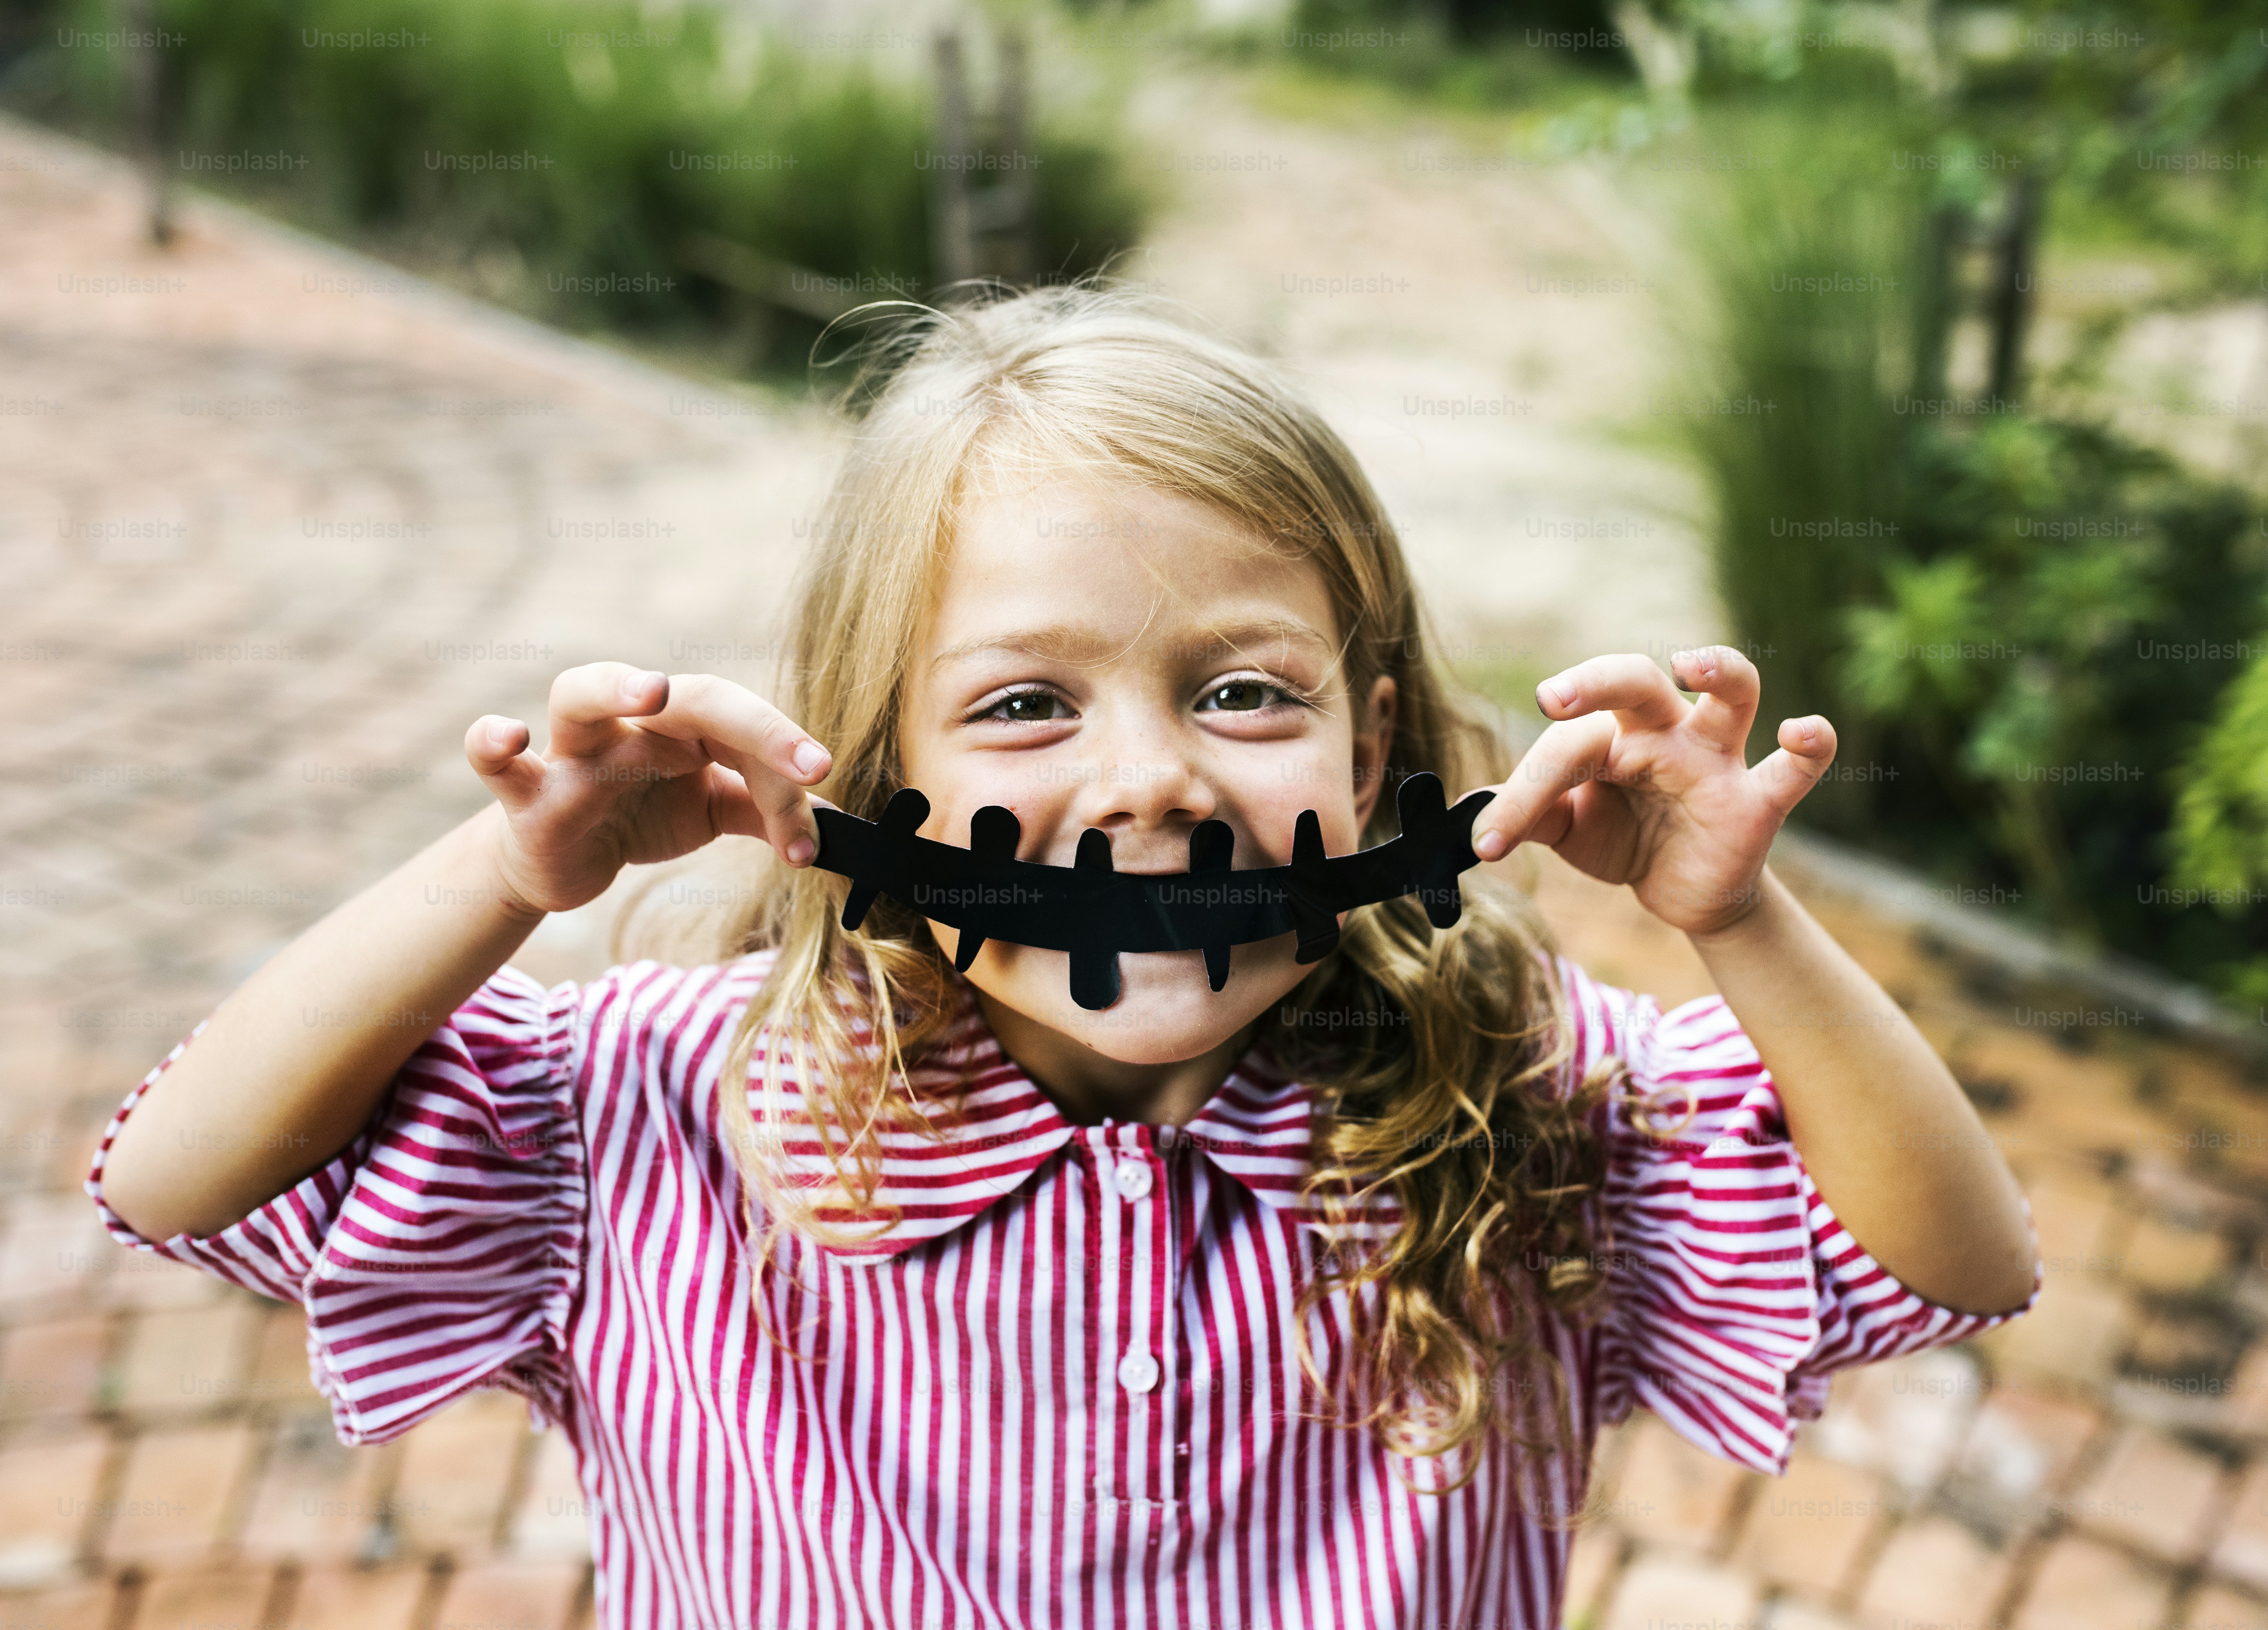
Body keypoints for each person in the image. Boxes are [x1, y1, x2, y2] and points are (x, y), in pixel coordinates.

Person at [92, 287, 2037, 1628]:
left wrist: (1737, 923)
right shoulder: (658, 1115)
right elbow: (177, 1179)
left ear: (1371, 755)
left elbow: (1951, 1264)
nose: (1150, 781)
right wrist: (509, 875)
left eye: (1242, 692)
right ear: (866, 782)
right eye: (1025, 704)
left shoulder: (1522, 1105)